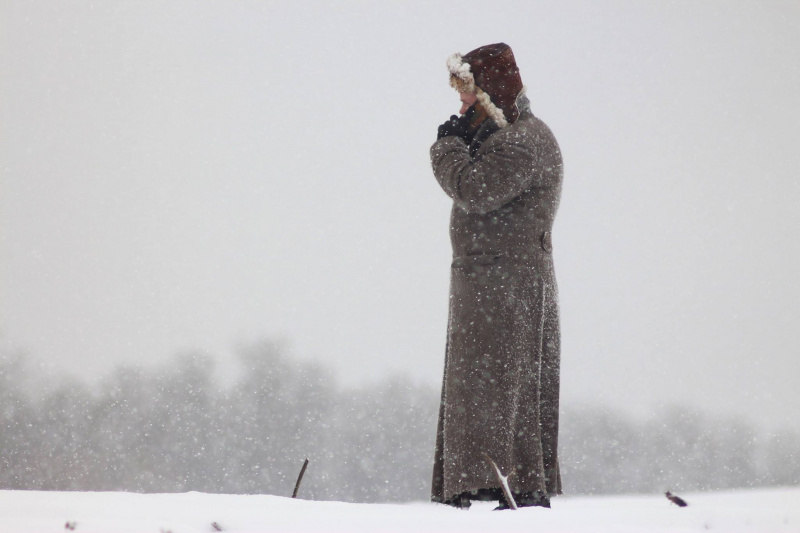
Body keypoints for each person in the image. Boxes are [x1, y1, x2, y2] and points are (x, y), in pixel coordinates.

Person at [430, 43, 564, 510]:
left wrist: (448, 147)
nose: (461, 106)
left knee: (499, 390)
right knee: (495, 390)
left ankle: (510, 490)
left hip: (503, 290)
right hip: (494, 286)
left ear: (490, 95)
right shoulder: (513, 138)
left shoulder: (521, 141)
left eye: (468, 96)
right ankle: (498, 485)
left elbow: (474, 190)